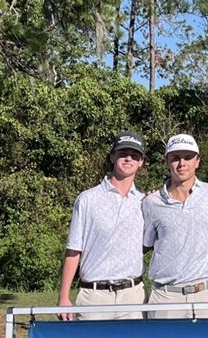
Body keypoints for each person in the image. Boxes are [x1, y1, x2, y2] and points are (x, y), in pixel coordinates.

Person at [57, 131, 146, 321]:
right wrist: (64, 296)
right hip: (93, 297)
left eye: (135, 155)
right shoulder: (87, 199)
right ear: (112, 157)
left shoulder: (146, 202)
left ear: (141, 162)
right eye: (123, 153)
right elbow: (74, 250)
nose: (128, 158)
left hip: (133, 296)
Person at [143, 134, 208, 319]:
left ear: (197, 161)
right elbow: (145, 244)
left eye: (188, 157)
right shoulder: (151, 202)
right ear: (167, 162)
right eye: (175, 158)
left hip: (204, 295)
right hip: (165, 297)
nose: (182, 163)